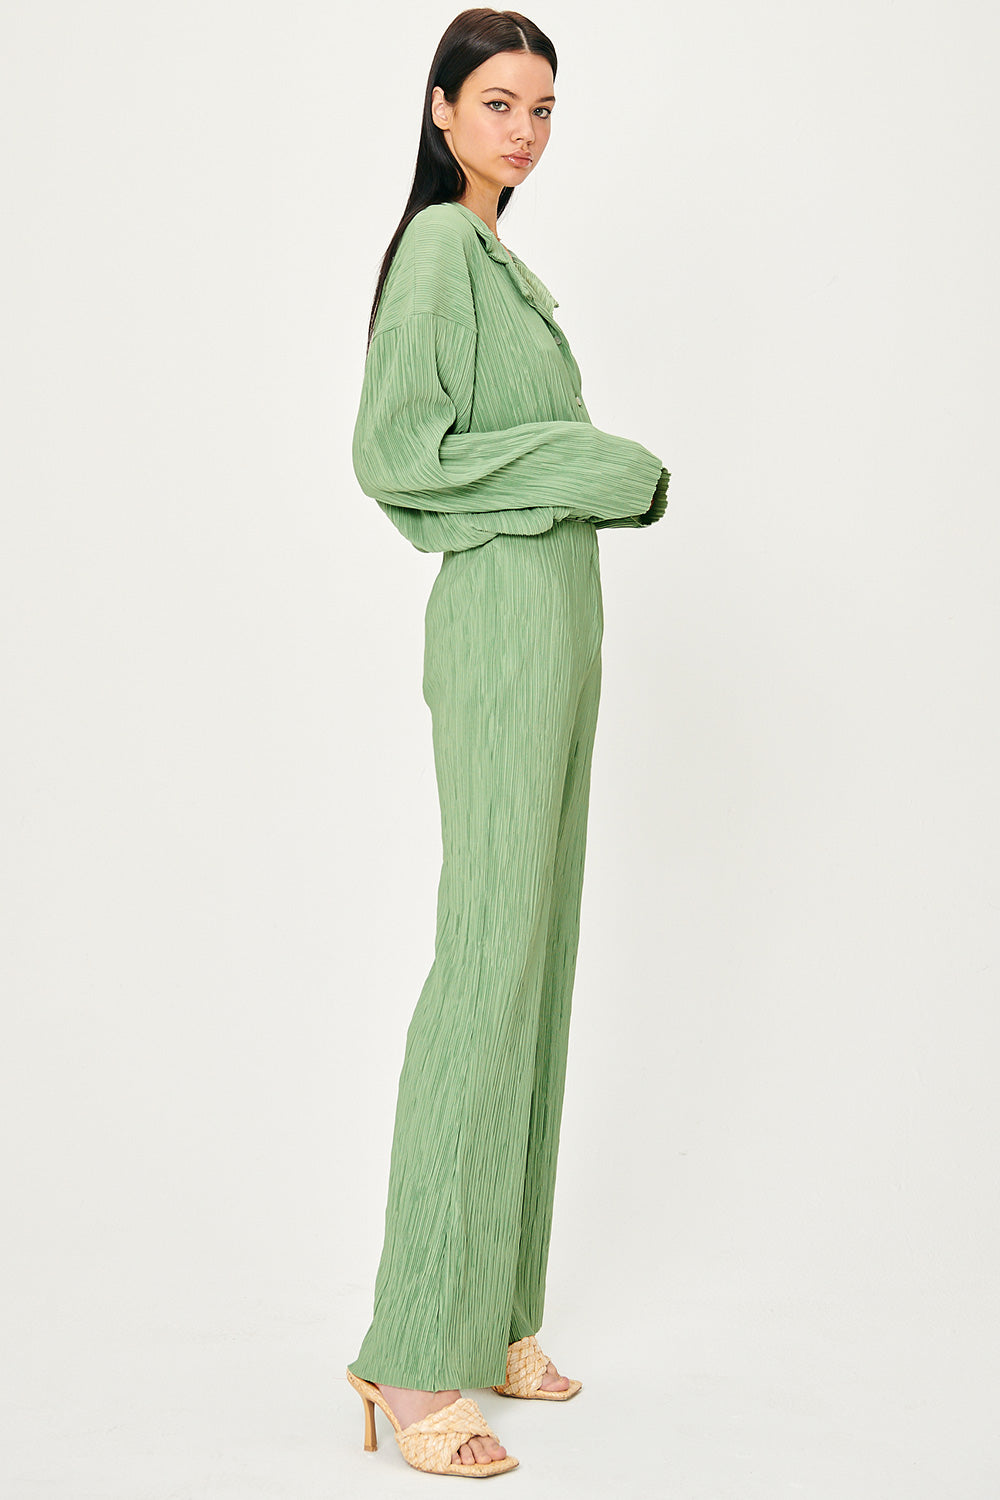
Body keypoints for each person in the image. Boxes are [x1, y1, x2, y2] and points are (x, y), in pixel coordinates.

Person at [344, 8, 670, 1479]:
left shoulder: (502, 262)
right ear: (441, 111)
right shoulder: (436, 253)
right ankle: (415, 1355)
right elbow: (396, 456)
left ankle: (495, 1315)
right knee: (485, 965)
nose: (524, 130)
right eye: (497, 103)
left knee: (537, 961)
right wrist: (589, 461)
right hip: (495, 630)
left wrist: (572, 481)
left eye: (542, 107)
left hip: (560, 624)